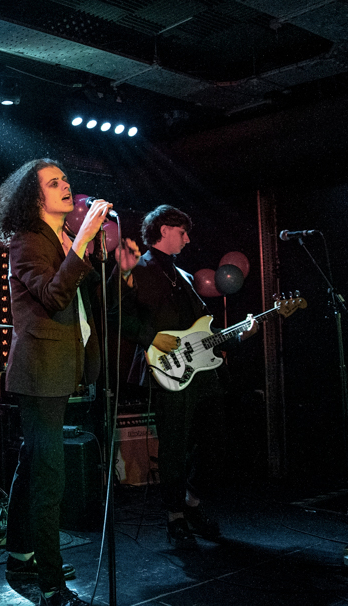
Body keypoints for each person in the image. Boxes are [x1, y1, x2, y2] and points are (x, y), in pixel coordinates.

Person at [0, 158, 139, 606]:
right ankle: (51, 585)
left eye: (66, 179)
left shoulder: (65, 238)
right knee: (49, 477)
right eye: (54, 183)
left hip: (65, 366)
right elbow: (53, 296)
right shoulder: (28, 240)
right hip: (39, 372)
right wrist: (83, 241)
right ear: (35, 198)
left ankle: (20, 555)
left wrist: (115, 264)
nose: (66, 186)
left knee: (33, 464)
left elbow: (90, 302)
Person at [113, 205, 256, 549]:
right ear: (163, 230)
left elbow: (204, 335)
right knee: (174, 445)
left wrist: (238, 335)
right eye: (182, 232)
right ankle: (175, 515)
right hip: (167, 371)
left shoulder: (187, 278)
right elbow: (117, 314)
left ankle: (191, 501)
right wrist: (151, 337)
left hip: (203, 374)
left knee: (215, 442)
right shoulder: (136, 269)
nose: (188, 239)